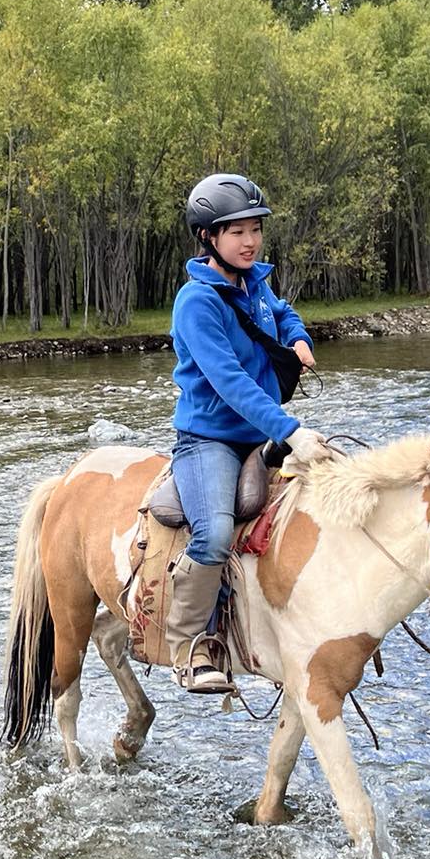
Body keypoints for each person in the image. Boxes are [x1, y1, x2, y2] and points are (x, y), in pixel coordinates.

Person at [164, 173, 336, 694]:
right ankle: (188, 647)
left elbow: (280, 313)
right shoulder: (196, 303)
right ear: (208, 238)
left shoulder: (253, 282)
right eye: (235, 231)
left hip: (260, 433)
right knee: (214, 533)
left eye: (255, 228)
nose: (249, 240)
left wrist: (299, 337)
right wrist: (292, 430)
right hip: (211, 439)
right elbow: (231, 382)